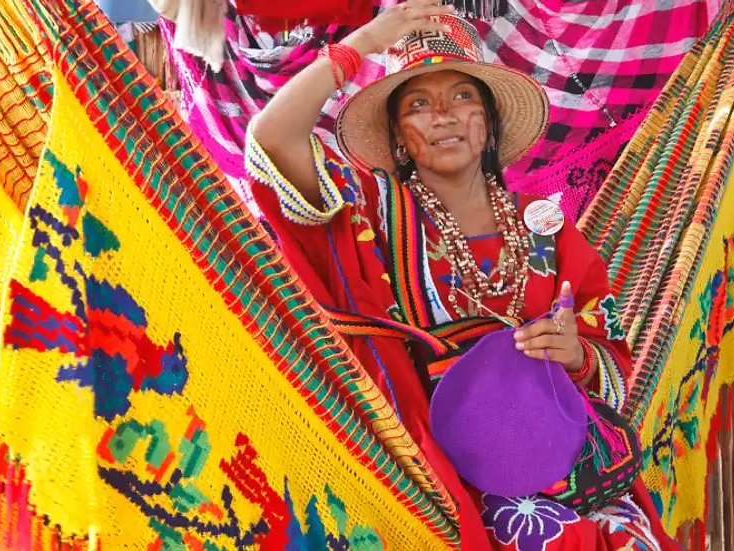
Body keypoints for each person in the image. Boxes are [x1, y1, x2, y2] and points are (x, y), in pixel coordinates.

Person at [246, 3, 679, 550]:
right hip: (436, 483)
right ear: (399, 136)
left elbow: (611, 355)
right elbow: (270, 139)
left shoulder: (544, 228)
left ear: (489, 122)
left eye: (463, 97)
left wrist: (575, 354)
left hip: (565, 467)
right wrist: (367, 40)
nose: (444, 115)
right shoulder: (372, 216)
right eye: (419, 104)